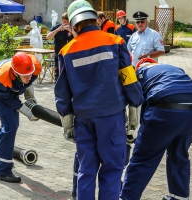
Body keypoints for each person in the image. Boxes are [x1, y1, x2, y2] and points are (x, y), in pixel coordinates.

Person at [55, 1, 143, 199]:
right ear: (95, 19)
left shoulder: (66, 51)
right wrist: (134, 111)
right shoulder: (116, 42)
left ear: (74, 25)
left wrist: (67, 122)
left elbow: (62, 90)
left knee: (86, 170)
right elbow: (128, 78)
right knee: (112, 170)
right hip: (111, 118)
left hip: (84, 119)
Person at [120, 58, 192, 200]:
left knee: (144, 157)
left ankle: (127, 197)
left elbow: (140, 104)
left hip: (165, 109)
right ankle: (180, 196)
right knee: (179, 153)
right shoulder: (173, 68)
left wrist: (135, 135)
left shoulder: (140, 73)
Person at [0, 52, 42, 183]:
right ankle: (2, 171)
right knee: (10, 126)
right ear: (16, 73)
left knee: (13, 125)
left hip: (10, 86)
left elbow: (27, 84)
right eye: (24, 75)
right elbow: (9, 99)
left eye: (30, 74)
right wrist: (25, 110)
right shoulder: (0, 78)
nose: (29, 77)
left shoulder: (34, 67)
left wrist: (30, 98)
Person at [46, 12, 77, 82]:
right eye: (64, 22)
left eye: (68, 22)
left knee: (70, 74)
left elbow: (78, 39)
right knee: (58, 74)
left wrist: (72, 31)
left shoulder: (73, 28)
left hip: (70, 55)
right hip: (59, 55)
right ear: (61, 21)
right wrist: (57, 30)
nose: (66, 24)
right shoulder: (57, 27)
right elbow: (48, 37)